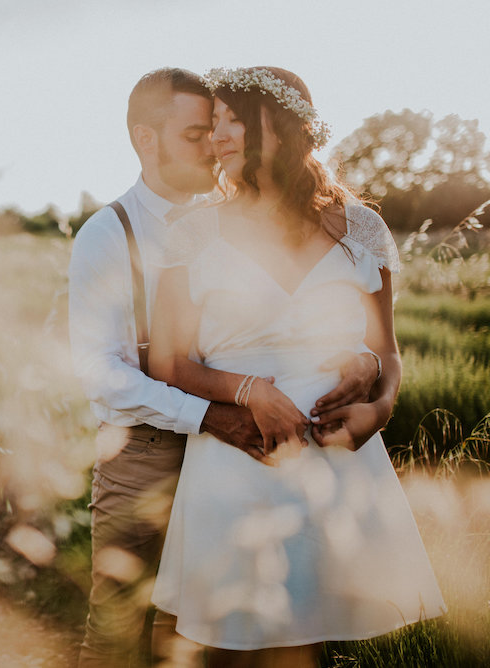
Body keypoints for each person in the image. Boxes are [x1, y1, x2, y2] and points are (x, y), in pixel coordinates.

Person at [67, 68, 381, 668]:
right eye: (195, 134)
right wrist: (210, 414)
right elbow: (97, 370)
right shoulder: (107, 235)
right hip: (145, 456)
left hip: (236, 455)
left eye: (216, 129)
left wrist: (357, 359)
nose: (213, 145)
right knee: (116, 631)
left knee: (209, 631)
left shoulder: (240, 217)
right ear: (145, 139)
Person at [146, 67, 446, 667]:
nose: (217, 135)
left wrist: (378, 413)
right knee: (214, 637)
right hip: (240, 456)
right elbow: (168, 360)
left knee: (309, 638)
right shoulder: (192, 233)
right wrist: (249, 390)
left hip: (337, 464)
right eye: (214, 121)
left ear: (282, 126)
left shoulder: (361, 228)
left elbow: (385, 351)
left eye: (234, 119)